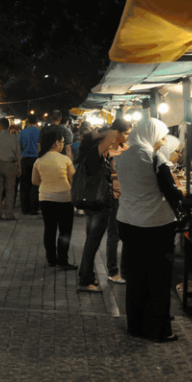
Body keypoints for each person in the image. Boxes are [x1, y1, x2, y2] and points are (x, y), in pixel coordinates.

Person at [117, 118, 192, 342]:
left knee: (137, 276)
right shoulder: (153, 157)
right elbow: (173, 196)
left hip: (128, 223)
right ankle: (157, 330)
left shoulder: (124, 157)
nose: (162, 142)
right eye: (160, 137)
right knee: (158, 279)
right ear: (150, 136)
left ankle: (135, 325)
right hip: (154, 226)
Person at [76, 119, 132, 293]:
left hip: (94, 202)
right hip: (100, 202)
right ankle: (86, 279)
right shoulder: (99, 154)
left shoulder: (93, 152)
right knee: (93, 241)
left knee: (91, 242)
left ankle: (88, 277)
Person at [32, 130, 76, 269]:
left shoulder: (39, 160)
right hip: (64, 198)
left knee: (49, 230)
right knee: (65, 231)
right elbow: (73, 180)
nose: (63, 145)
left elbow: (34, 181)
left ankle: (51, 259)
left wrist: (47, 185)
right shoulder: (65, 159)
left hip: (45, 198)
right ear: (56, 143)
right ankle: (62, 260)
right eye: (62, 142)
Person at [0, 117, 22, 220]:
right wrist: (19, 168)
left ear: (0, 126)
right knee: (10, 191)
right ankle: (9, 214)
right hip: (11, 166)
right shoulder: (14, 138)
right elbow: (18, 155)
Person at [19, 114, 41, 215]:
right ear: (37, 121)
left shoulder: (22, 132)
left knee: (24, 184)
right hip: (36, 160)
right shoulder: (40, 132)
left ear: (28, 121)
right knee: (35, 184)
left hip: (25, 159)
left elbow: (19, 147)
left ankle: (25, 207)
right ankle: (34, 207)